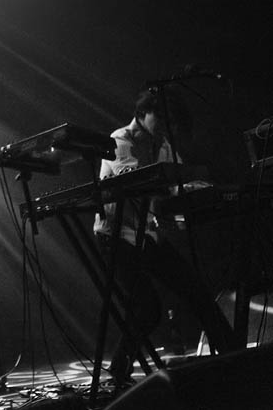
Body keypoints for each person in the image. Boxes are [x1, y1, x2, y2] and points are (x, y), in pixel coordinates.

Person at [93, 88, 241, 386]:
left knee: (198, 292)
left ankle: (235, 359)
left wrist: (201, 188)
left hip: (146, 236)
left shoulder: (163, 145)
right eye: (160, 118)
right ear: (141, 114)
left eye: (170, 121)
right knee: (147, 309)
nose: (165, 126)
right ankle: (117, 373)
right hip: (117, 236)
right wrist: (177, 181)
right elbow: (136, 179)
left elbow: (178, 179)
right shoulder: (120, 139)